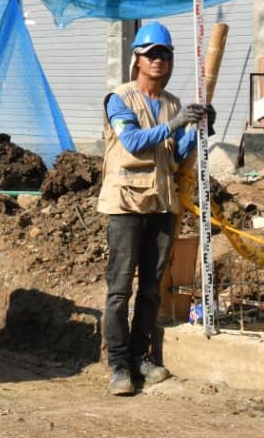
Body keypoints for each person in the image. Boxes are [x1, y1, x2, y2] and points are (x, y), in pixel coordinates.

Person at [98, 21, 213, 396]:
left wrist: (195, 133)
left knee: (151, 288)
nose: (159, 61)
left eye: (164, 54)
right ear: (137, 60)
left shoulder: (174, 104)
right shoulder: (120, 98)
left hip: (163, 203)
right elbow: (132, 141)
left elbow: (176, 158)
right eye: (151, 54)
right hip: (127, 203)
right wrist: (176, 125)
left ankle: (139, 358)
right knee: (119, 290)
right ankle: (118, 365)